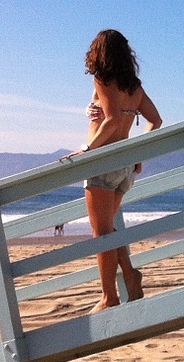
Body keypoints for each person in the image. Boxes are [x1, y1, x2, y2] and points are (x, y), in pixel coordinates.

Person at [60, 29, 161, 313]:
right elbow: (156, 120)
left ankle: (109, 297)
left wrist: (87, 149)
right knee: (109, 229)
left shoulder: (103, 79)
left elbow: (113, 120)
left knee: (101, 233)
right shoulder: (134, 87)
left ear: (99, 52)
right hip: (125, 165)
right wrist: (138, 152)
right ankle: (129, 273)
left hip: (104, 163)